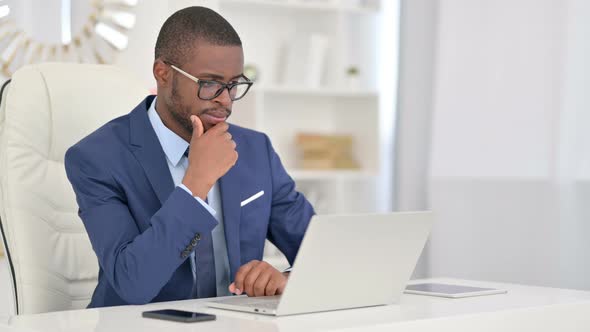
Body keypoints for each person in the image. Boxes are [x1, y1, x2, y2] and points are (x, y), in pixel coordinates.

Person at [65, 6, 315, 308]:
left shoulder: (255, 151)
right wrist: (198, 181)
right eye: (210, 83)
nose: (225, 100)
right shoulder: (97, 158)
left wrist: (286, 281)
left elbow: (321, 255)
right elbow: (133, 285)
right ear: (163, 73)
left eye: (234, 85)